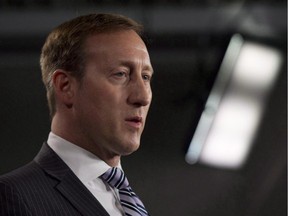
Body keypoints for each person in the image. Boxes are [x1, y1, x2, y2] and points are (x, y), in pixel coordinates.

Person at [0, 13, 153, 216]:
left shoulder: (128, 200)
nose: (142, 96)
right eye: (121, 74)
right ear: (66, 86)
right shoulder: (12, 197)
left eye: (146, 77)